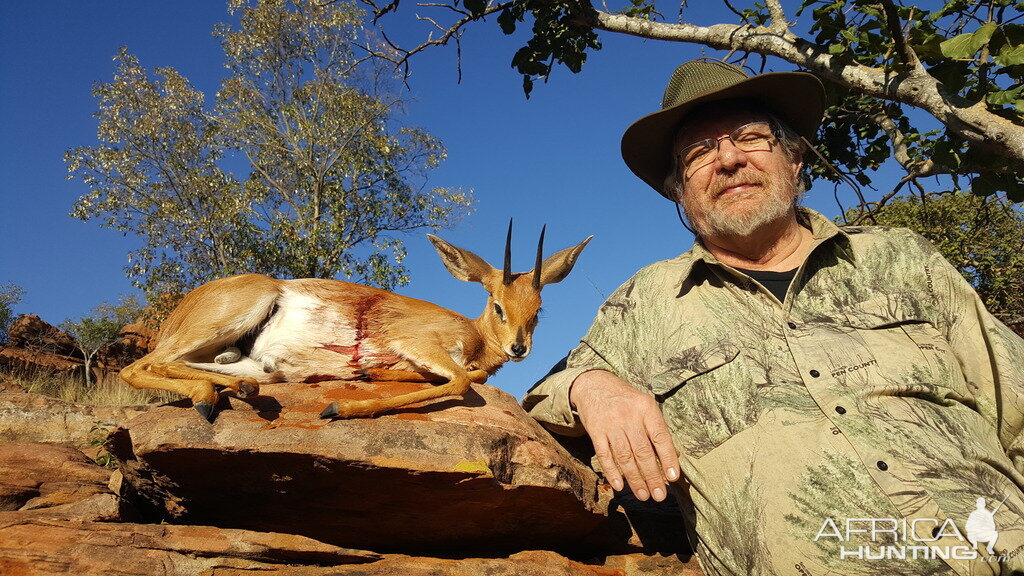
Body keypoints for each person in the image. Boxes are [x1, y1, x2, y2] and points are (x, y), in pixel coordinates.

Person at [523, 59, 1024, 575]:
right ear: (678, 189)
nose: (729, 160)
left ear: (795, 158)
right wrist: (592, 385)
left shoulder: (900, 257)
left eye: (750, 137)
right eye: (698, 152)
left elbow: (1017, 403)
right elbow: (545, 392)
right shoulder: (644, 300)